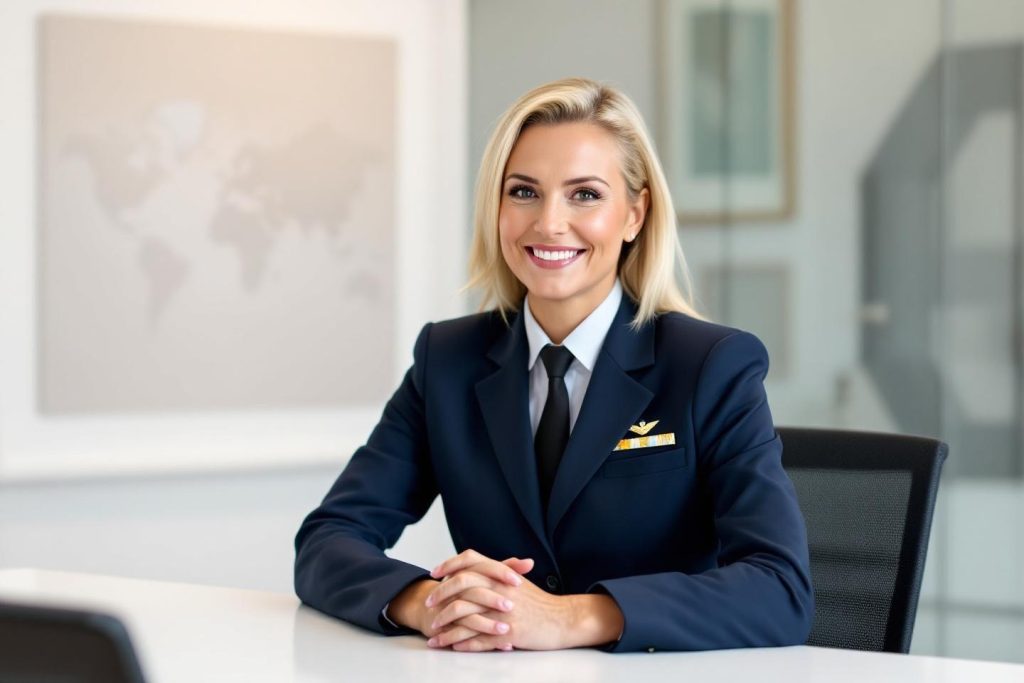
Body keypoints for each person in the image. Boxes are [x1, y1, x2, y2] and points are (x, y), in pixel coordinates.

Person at [294, 77, 813, 653]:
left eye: (585, 194)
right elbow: (328, 540)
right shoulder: (447, 361)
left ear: (635, 215)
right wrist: (432, 604)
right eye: (523, 192)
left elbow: (780, 589)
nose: (548, 223)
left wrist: (571, 618)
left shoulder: (711, 367)